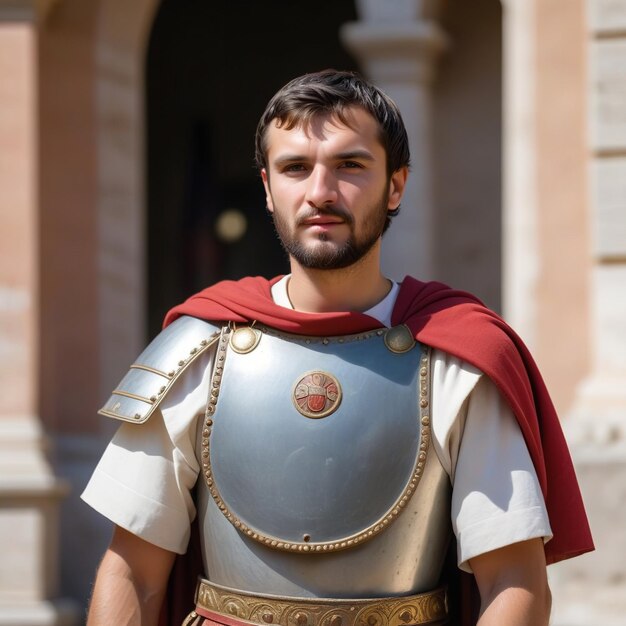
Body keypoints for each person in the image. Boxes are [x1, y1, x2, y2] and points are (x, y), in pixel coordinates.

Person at [82, 69, 593, 626]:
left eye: (350, 166)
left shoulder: (459, 359)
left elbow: (512, 581)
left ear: (396, 185)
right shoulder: (196, 350)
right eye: (295, 168)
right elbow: (132, 572)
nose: (320, 192)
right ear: (268, 187)